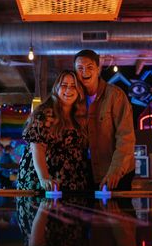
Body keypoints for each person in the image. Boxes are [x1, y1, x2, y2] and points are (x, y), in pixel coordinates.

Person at [17, 70, 92, 191]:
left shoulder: (79, 116)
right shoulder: (44, 113)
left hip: (72, 184)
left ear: (79, 91)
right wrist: (44, 178)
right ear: (56, 88)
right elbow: (37, 147)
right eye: (64, 85)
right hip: (45, 183)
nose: (68, 90)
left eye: (73, 86)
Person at [74, 49, 135, 191]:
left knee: (117, 212)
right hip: (85, 173)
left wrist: (115, 171)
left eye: (89, 67)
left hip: (114, 172)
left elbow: (125, 138)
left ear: (98, 69)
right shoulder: (73, 99)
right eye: (80, 68)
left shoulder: (115, 96)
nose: (85, 72)